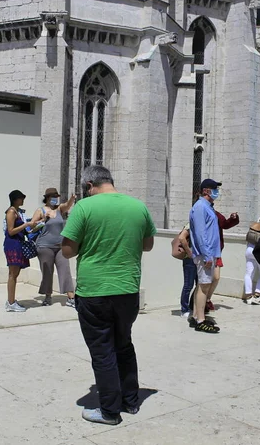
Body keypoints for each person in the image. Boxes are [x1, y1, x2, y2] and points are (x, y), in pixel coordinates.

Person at [61, 165, 156, 426]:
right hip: (128, 290)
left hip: (94, 292)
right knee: (124, 345)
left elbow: (68, 250)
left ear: (89, 185)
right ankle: (131, 401)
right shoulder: (138, 207)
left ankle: (109, 411)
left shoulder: (84, 207)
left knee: (103, 352)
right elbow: (147, 245)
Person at [31, 188, 76, 307]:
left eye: (56, 196)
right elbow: (32, 227)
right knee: (47, 271)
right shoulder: (40, 210)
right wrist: (44, 219)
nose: (55, 199)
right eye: (53, 196)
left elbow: (67, 205)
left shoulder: (59, 209)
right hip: (44, 246)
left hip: (61, 246)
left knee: (65, 270)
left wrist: (72, 199)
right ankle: (47, 296)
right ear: (47, 198)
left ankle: (71, 297)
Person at [188, 178, 222, 333]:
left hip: (210, 253)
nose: (217, 192)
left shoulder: (207, 207)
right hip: (205, 254)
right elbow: (202, 234)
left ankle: (197, 316)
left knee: (204, 284)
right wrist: (207, 255)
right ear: (207, 191)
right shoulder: (201, 207)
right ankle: (200, 320)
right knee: (204, 286)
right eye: (215, 189)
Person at [4, 190, 37, 312]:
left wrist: (33, 226)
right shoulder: (11, 211)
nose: (23, 200)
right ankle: (11, 302)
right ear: (15, 199)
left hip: (18, 243)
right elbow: (11, 230)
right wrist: (26, 224)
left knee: (15, 274)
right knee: (13, 274)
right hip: (12, 244)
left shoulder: (17, 212)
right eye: (21, 198)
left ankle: (11, 300)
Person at [177, 222, 196, 318]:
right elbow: (181, 237)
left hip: (198, 258)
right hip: (190, 260)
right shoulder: (190, 224)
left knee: (200, 285)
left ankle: (195, 307)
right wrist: (189, 253)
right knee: (188, 285)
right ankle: (184, 309)